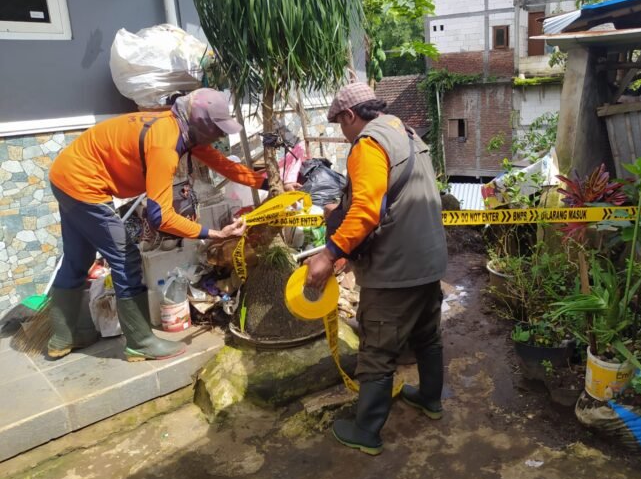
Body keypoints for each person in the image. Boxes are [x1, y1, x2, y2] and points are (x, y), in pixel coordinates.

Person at [47, 88, 275, 362]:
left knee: (77, 258)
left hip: (65, 175)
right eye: (218, 129)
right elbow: (160, 216)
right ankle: (140, 342)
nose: (221, 136)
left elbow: (221, 163)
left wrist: (264, 182)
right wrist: (214, 233)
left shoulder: (180, 128)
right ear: (201, 125)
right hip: (83, 185)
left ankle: (64, 337)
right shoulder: (164, 146)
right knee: (126, 259)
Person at [305, 82, 448, 455]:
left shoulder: (369, 143)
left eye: (339, 123)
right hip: (430, 260)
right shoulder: (406, 132)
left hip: (395, 269)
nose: (343, 131)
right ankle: (430, 399)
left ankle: (366, 430)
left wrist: (328, 254)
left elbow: (368, 210)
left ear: (351, 116)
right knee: (427, 336)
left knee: (378, 349)